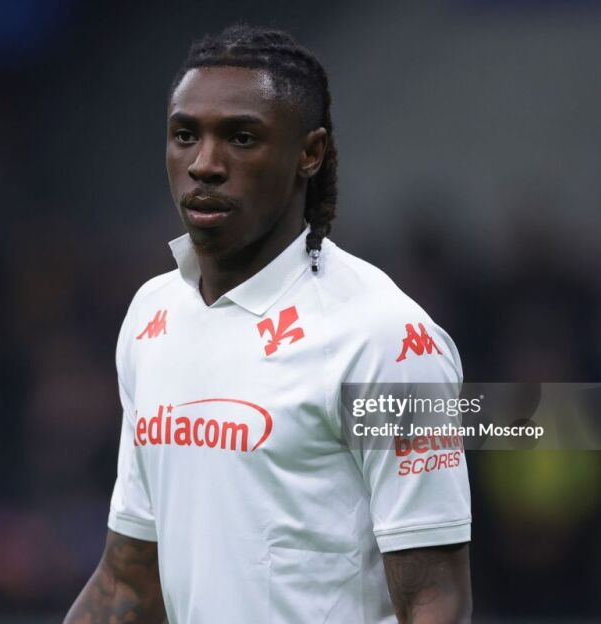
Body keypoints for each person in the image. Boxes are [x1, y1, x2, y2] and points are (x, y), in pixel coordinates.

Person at [65, 24, 471, 624]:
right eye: (185, 135)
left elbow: (435, 599)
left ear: (310, 153)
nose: (204, 164)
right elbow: (129, 580)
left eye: (241, 137)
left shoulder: (386, 339)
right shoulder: (153, 314)